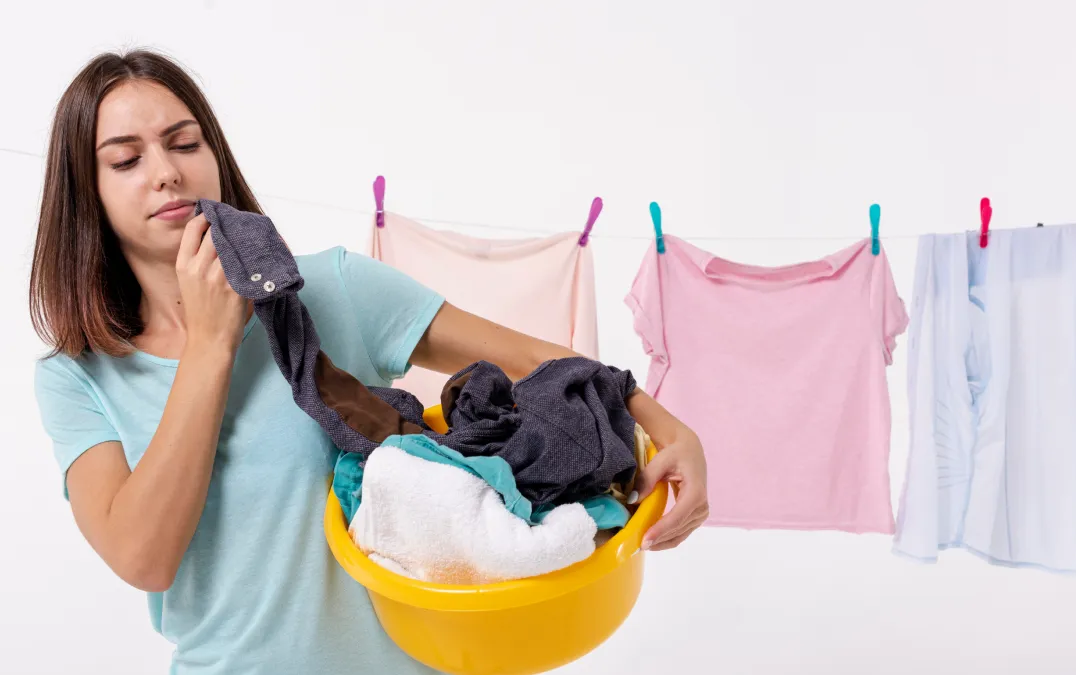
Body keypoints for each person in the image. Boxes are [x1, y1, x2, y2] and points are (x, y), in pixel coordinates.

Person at [29, 49, 709, 675]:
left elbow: (540, 361)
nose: (167, 172)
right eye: (126, 160)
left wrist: (672, 429)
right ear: (87, 194)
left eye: (185, 143)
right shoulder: (77, 377)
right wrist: (211, 346)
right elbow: (144, 558)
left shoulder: (334, 289)